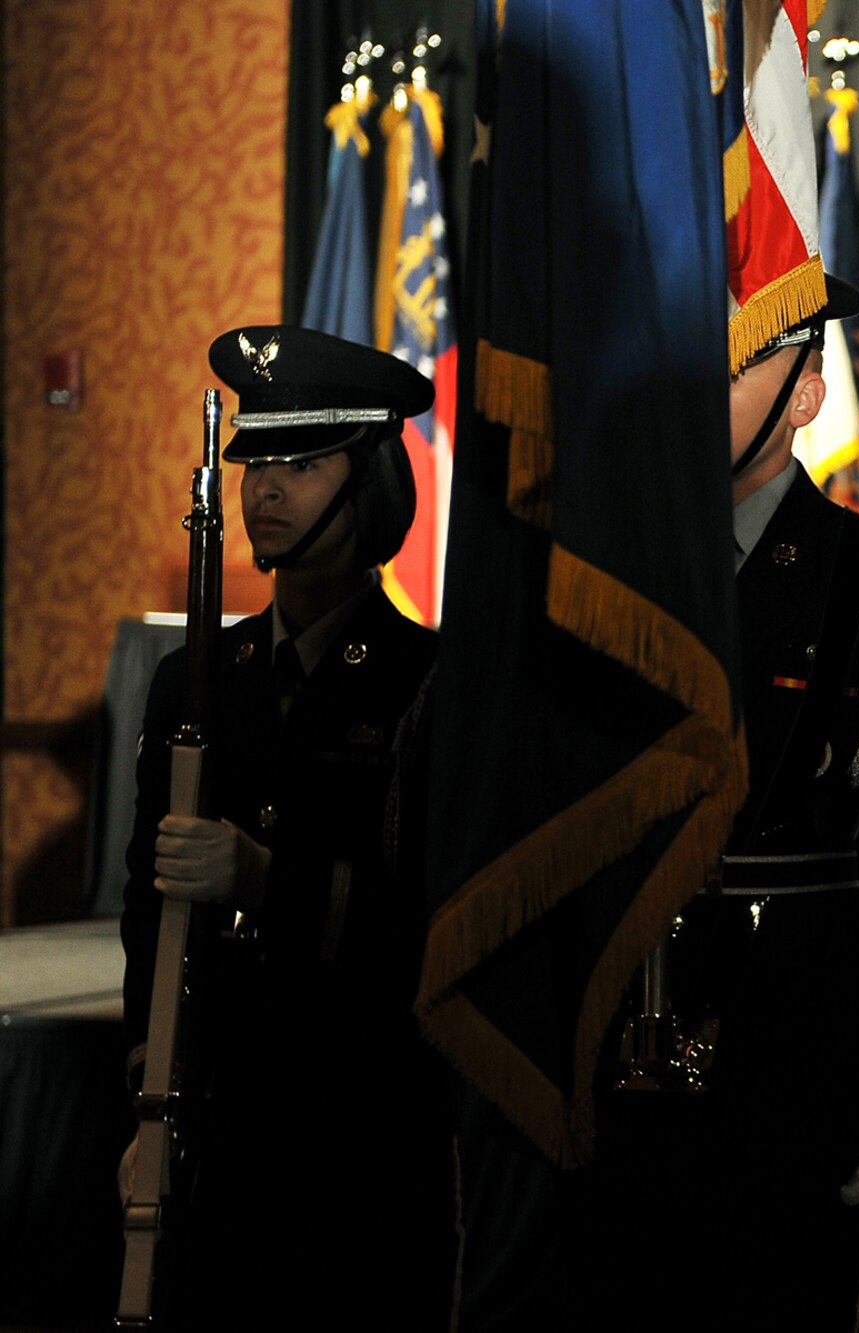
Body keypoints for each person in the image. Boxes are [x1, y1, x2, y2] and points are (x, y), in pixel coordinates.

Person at [566, 276, 859, 1328]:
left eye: (736, 363)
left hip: (795, 1031)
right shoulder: (597, 567)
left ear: (807, 394)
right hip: (607, 1022)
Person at [118, 325, 454, 1328]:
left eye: (301, 465)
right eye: (255, 462)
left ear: (370, 484)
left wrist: (273, 880)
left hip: (358, 1118)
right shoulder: (197, 680)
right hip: (220, 1111)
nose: (264, 490)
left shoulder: (426, 682)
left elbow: (432, 923)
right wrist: (149, 1099)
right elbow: (148, 910)